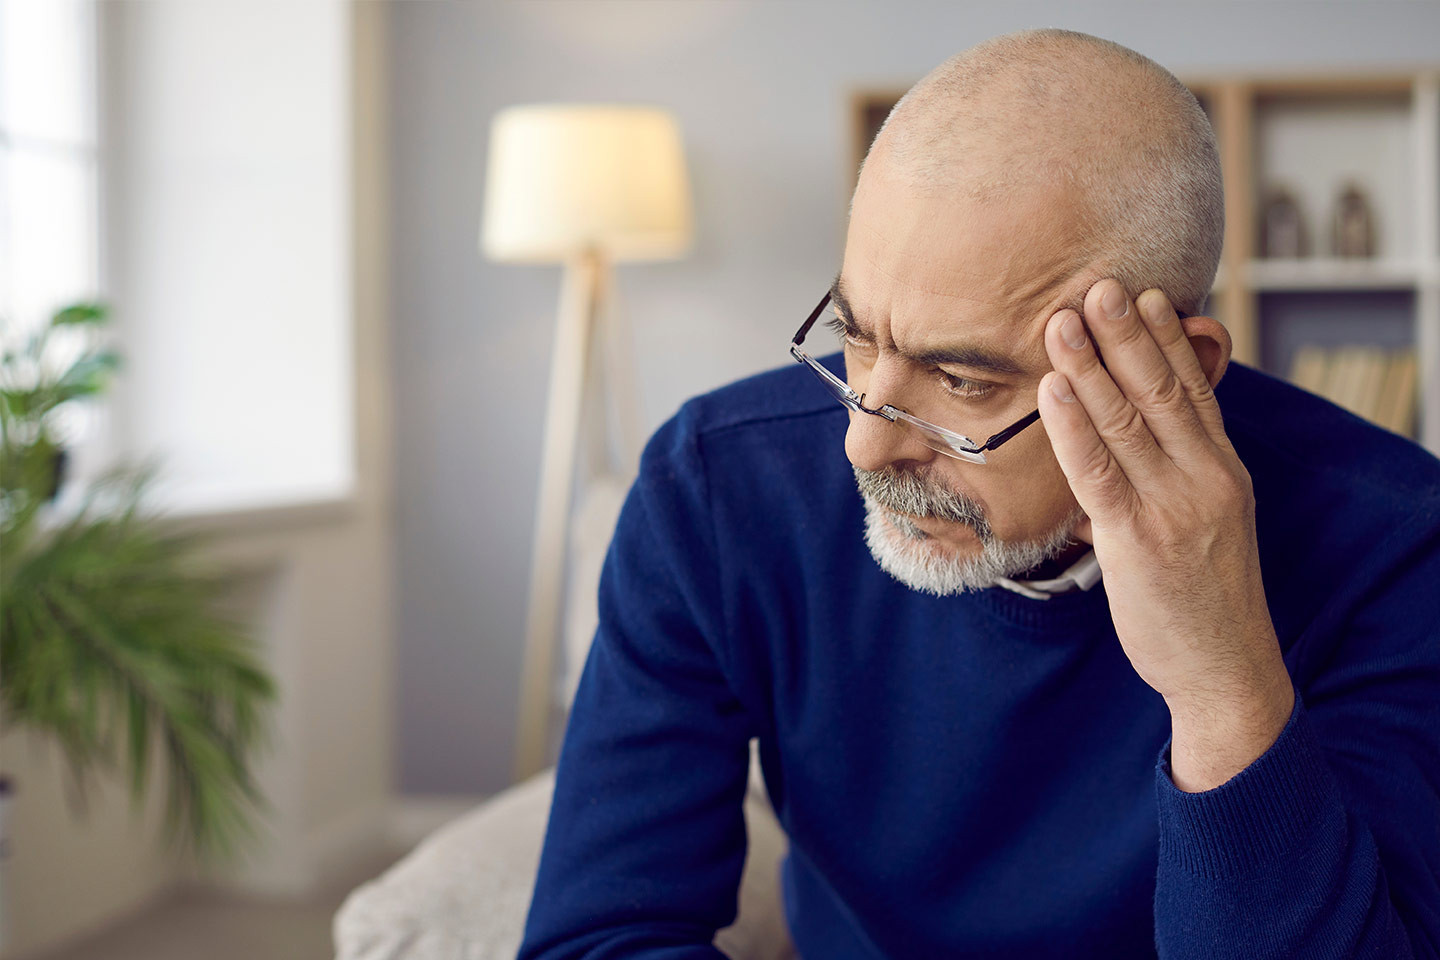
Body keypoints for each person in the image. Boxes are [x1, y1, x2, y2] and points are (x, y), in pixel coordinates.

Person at [516, 27, 1440, 960]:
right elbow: (601, 939)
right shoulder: (714, 491)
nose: (865, 442)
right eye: (858, 336)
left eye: (961, 381)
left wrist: (1221, 688)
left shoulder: (1397, 546)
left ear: (1169, 370)